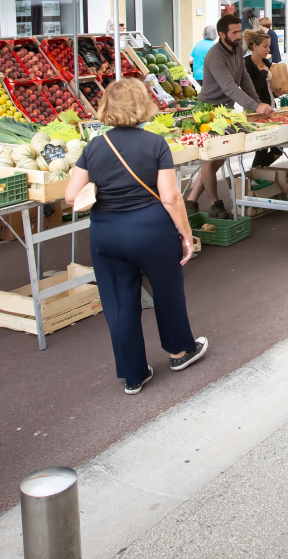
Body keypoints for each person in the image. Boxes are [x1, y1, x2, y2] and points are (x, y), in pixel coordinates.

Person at [64, 79, 206, 396]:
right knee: (167, 292)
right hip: (152, 231)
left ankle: (133, 375)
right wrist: (185, 232)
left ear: (106, 108)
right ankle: (180, 352)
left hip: (106, 234)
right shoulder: (156, 144)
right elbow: (171, 198)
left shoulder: (93, 147)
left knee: (118, 303)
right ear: (143, 106)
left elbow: (71, 196)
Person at [187, 13, 273, 218]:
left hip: (224, 111)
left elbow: (244, 79)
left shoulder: (236, 50)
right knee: (213, 159)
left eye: (239, 31)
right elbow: (229, 87)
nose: (238, 36)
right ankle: (216, 203)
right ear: (221, 34)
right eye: (233, 33)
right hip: (208, 112)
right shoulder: (215, 56)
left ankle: (190, 201)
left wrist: (257, 104)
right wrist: (254, 105)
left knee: (218, 159)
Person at [243, 28, 281, 167]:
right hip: (255, 110)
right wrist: (263, 73)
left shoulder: (267, 63)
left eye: (269, 46)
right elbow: (252, 90)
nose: (268, 49)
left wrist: (277, 92)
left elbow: (268, 87)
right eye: (265, 46)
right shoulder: (246, 64)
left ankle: (259, 172)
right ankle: (256, 175)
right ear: (254, 46)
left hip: (271, 106)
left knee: (278, 148)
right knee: (261, 148)